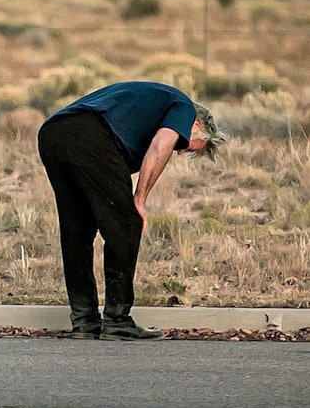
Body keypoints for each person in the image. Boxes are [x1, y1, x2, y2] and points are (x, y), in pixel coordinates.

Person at [37, 81, 226, 340]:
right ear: (196, 125)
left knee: (77, 231)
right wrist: (139, 199)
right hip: (90, 133)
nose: (180, 151)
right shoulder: (183, 107)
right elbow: (160, 147)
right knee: (127, 224)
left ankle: (84, 322)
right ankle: (117, 321)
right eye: (187, 145)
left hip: (53, 133)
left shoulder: (150, 106)